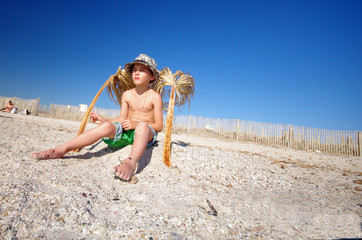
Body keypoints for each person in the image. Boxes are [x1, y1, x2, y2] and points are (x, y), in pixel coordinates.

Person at [32, 54, 163, 181]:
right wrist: (104, 120)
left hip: (145, 134)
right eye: (134, 70)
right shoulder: (127, 95)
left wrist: (136, 123)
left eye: (142, 70)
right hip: (127, 131)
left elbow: (159, 126)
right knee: (106, 127)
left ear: (152, 76)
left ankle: (131, 162)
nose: (136, 73)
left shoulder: (154, 97)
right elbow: (121, 119)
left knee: (142, 126)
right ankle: (61, 150)